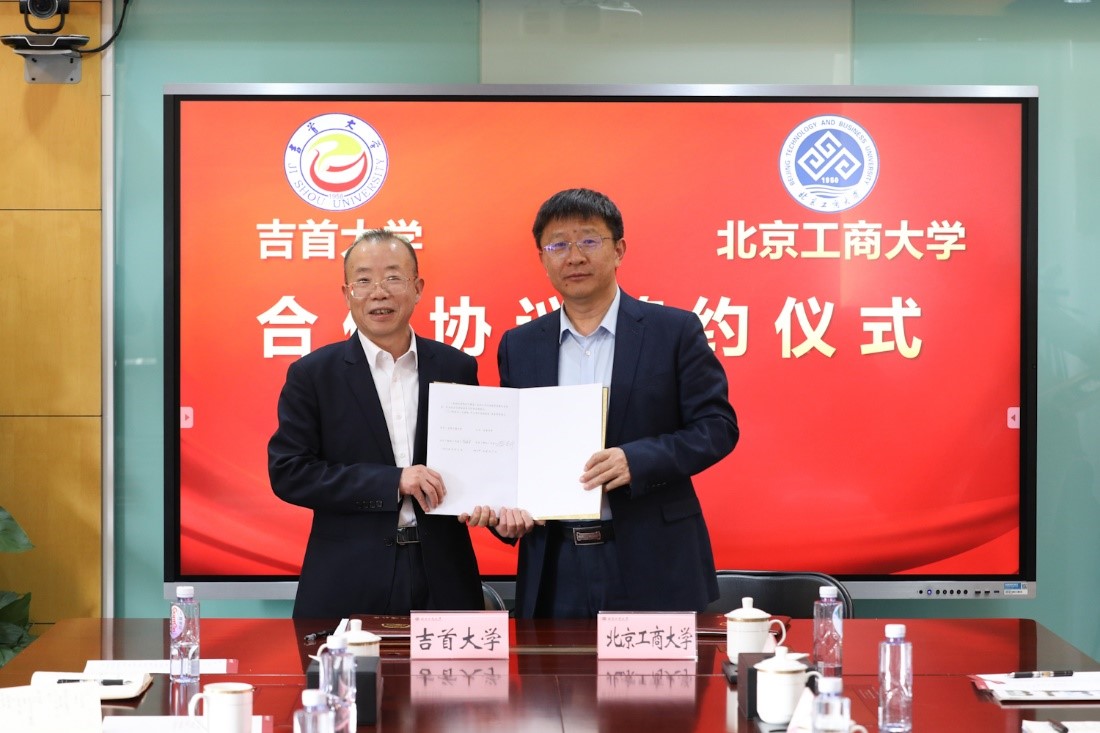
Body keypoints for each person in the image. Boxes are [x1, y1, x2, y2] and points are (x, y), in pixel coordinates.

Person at [489, 188, 739, 618]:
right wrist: (504, 512)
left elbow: (717, 427)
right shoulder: (519, 345)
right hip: (555, 566)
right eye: (558, 245)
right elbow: (512, 448)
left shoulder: (673, 331)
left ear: (619, 249)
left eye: (589, 240)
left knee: (657, 667)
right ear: (542, 258)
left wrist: (636, 460)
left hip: (654, 559)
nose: (574, 257)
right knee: (553, 667)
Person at [268, 229, 490, 618]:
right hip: (349, 578)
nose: (379, 292)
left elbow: (480, 462)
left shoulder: (456, 367)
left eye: (393, 277)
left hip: (445, 576)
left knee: (454, 663)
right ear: (347, 294)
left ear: (418, 288)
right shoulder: (313, 375)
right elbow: (290, 473)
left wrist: (500, 506)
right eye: (364, 280)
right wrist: (393, 481)